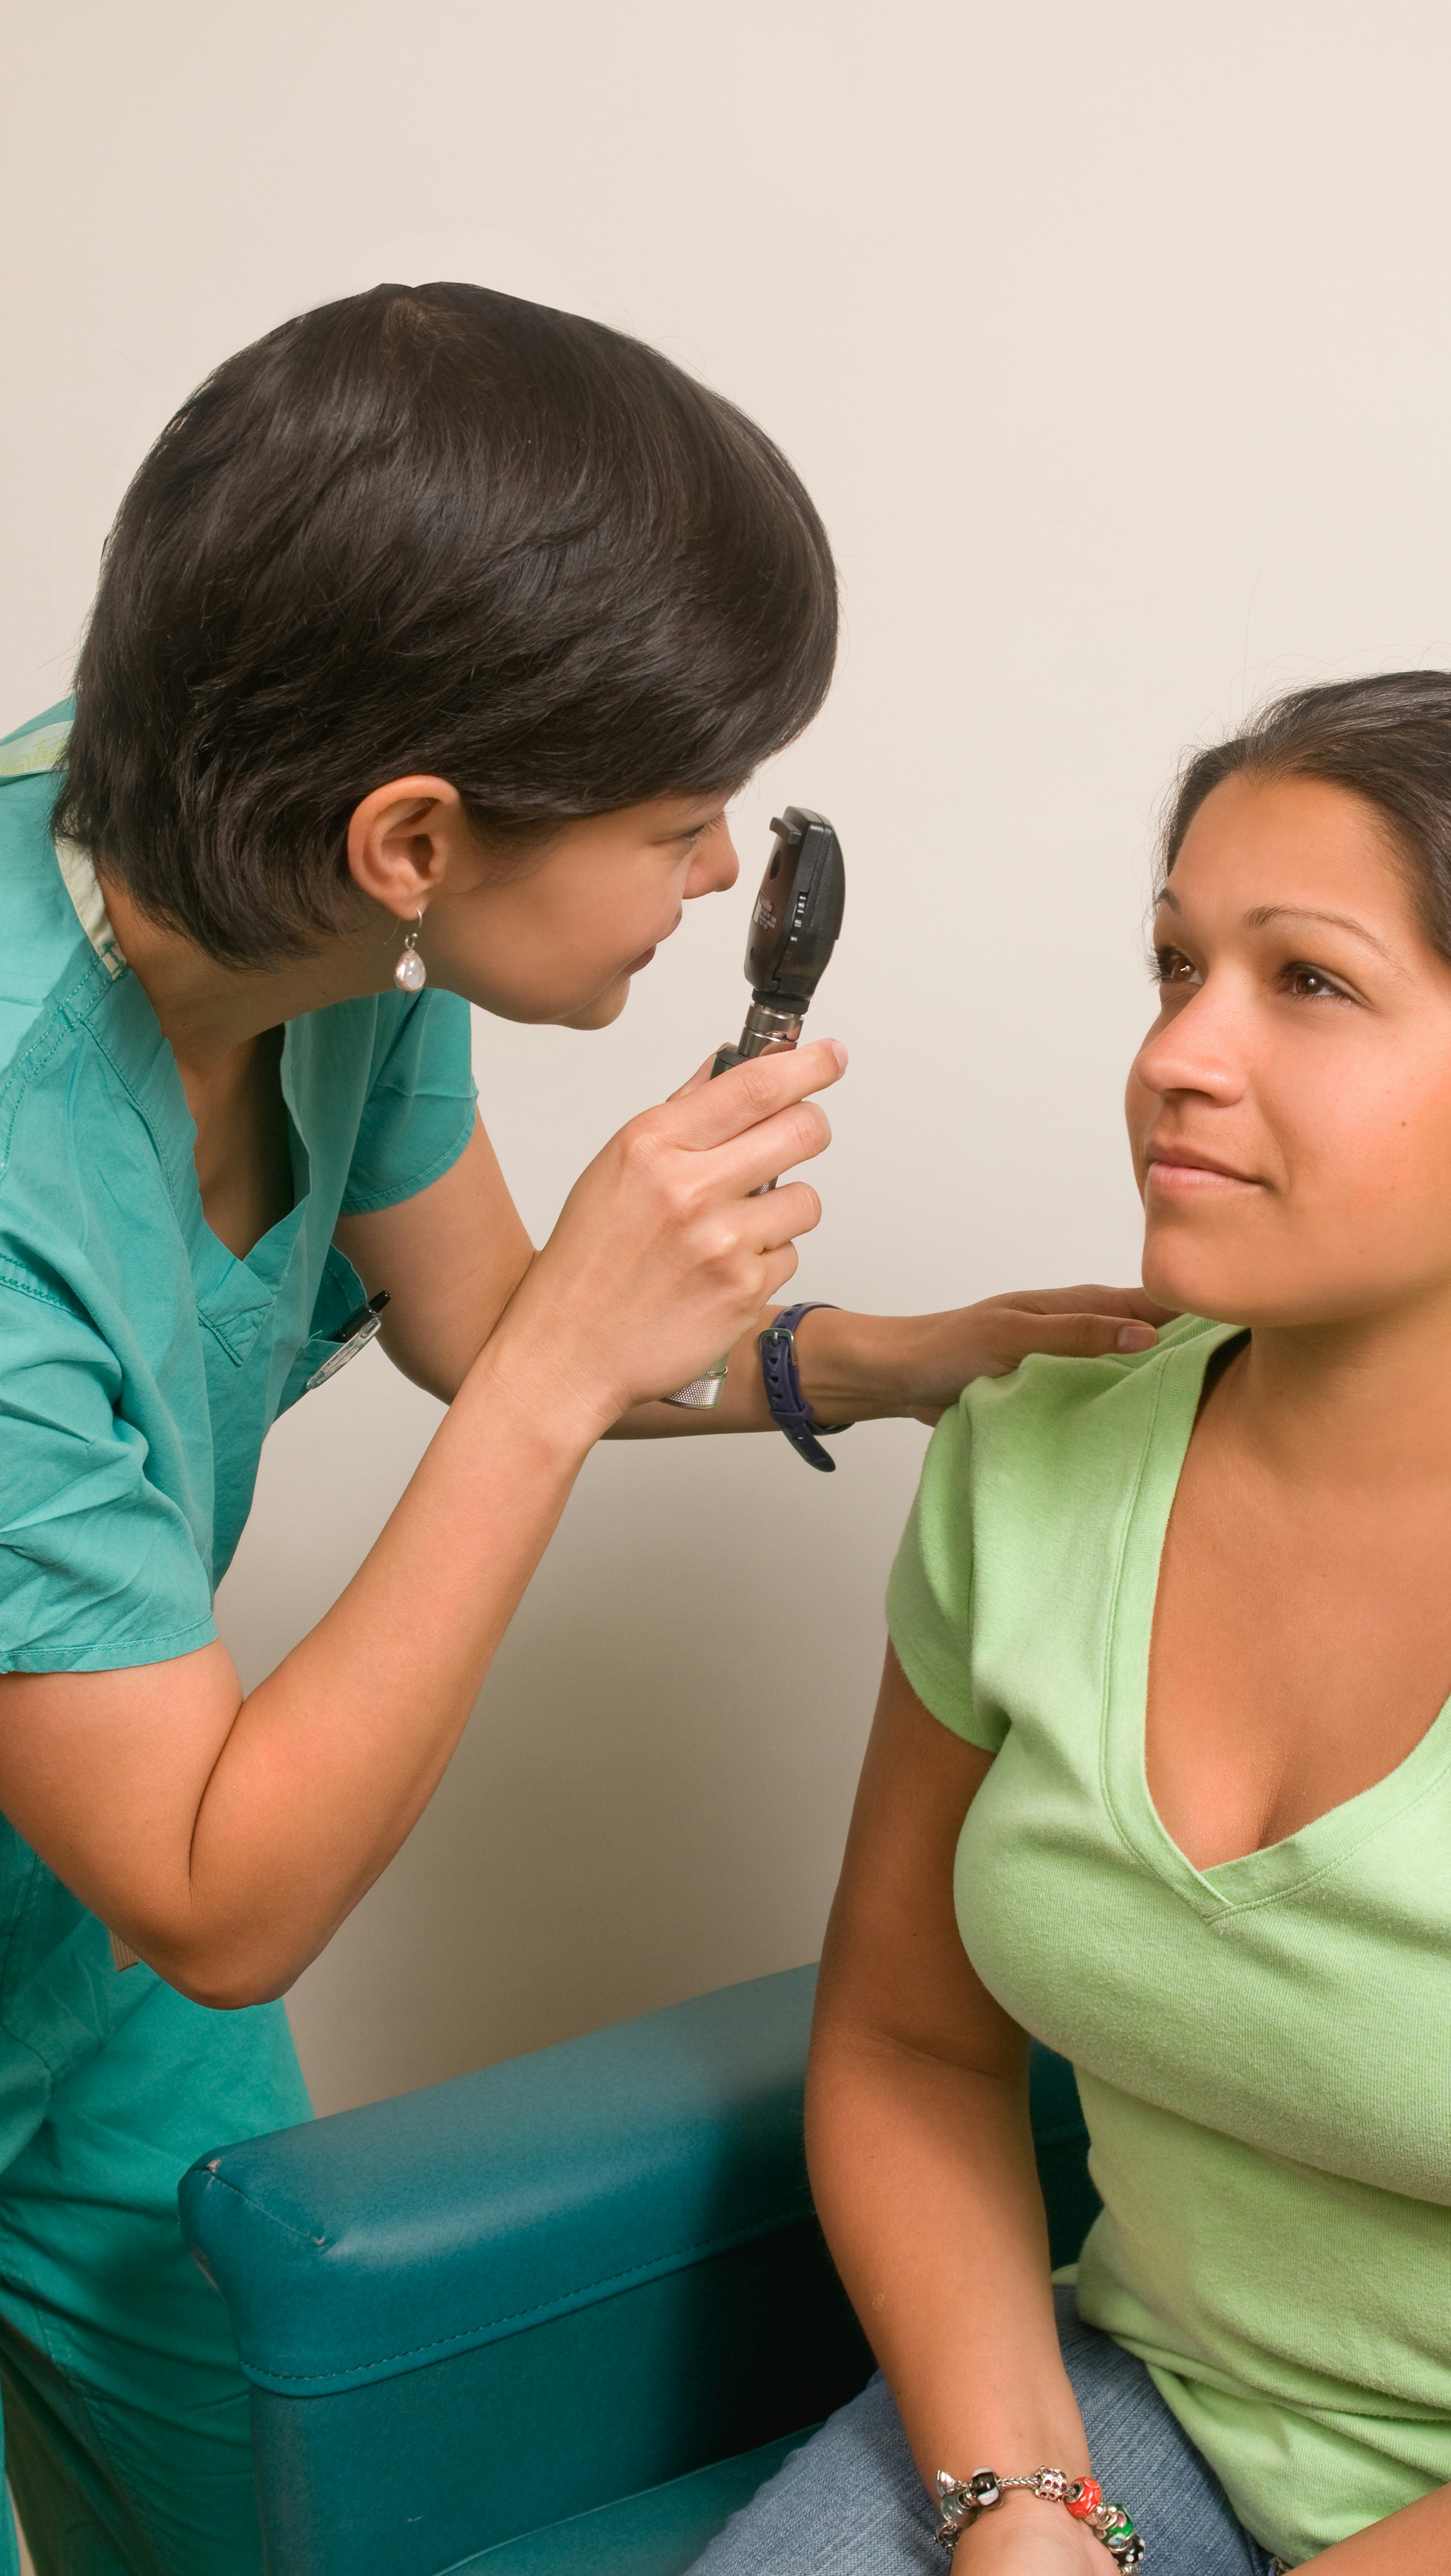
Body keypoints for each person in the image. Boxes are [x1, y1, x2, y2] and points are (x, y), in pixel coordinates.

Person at [0, 282, 1161, 2576]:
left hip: (73, 1937)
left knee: (285, 2523)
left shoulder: (297, 919)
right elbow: (229, 1895)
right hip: (156, 1860)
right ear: (414, 835)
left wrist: (900, 1353)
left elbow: (483, 1327)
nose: (723, 876)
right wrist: (554, 1375)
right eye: (681, 818)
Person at [690, 671, 1451, 2576]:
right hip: (1134, 2416)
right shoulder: (1033, 1454)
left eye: (1303, 984)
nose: (1176, 1056)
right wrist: (1021, 2508)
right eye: (1175, 969)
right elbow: (910, 2044)